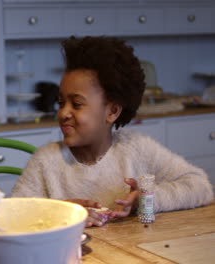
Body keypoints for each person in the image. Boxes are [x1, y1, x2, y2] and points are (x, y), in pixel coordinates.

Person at [11, 36, 213, 227]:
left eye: (77, 104)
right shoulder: (45, 162)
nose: (63, 113)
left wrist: (146, 198)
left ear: (112, 111)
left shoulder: (137, 149)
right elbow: (12, 218)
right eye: (61, 103)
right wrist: (59, 212)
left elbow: (200, 186)